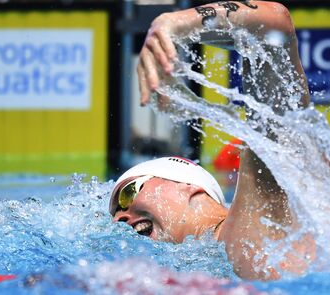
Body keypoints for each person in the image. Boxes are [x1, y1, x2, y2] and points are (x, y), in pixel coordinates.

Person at [110, 0, 315, 281]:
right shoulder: (202, 267)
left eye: (128, 193)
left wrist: (172, 23)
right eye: (116, 212)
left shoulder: (252, 223)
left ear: (188, 188)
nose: (119, 218)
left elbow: (272, 26)